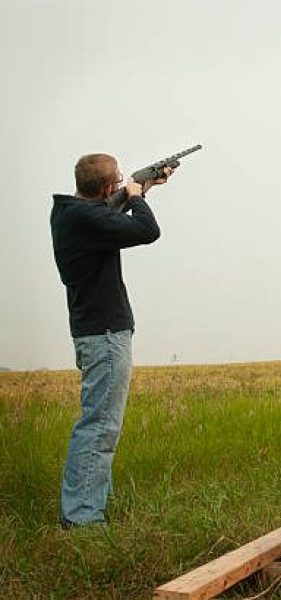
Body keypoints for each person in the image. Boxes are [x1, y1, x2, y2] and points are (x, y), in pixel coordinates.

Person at [50, 153, 172, 526]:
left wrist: (144, 188)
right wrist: (135, 197)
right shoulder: (86, 218)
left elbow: (110, 222)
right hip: (104, 334)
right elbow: (148, 231)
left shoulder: (70, 213)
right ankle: (83, 518)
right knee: (100, 426)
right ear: (107, 187)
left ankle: (89, 505)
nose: (120, 185)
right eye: (117, 182)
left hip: (95, 331)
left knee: (100, 423)